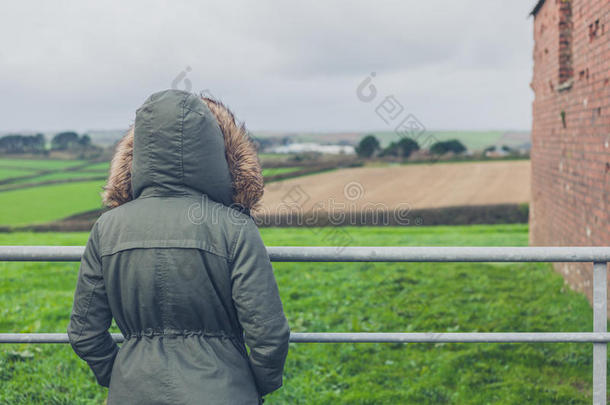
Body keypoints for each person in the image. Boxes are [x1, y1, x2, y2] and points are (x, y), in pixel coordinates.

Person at [67, 89, 290, 405]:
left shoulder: (107, 228)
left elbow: (84, 333)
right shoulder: (236, 228)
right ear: (217, 150)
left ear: (138, 151)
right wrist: (250, 384)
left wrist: (120, 374)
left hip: (133, 391)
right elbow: (269, 335)